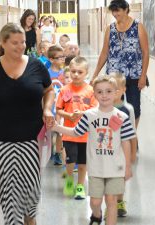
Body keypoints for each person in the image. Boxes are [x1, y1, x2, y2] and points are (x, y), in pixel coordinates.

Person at [0, 23, 55, 225]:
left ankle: (29, 218)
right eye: (15, 43)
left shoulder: (36, 66)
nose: (20, 46)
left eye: (23, 42)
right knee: (8, 189)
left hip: (30, 136)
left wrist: (47, 108)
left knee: (31, 190)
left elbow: (48, 90)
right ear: (3, 43)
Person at [52, 75, 136, 225]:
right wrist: (57, 127)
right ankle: (96, 215)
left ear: (116, 93)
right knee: (96, 202)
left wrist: (128, 166)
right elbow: (76, 132)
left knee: (111, 200)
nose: (104, 95)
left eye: (109, 91)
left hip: (116, 167)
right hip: (96, 167)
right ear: (94, 94)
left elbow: (126, 142)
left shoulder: (121, 117)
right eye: (100, 92)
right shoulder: (89, 116)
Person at [92, 0, 149, 130]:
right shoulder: (110, 29)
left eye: (117, 10)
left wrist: (143, 76)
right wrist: (95, 74)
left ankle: (132, 135)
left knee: (135, 108)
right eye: (113, 11)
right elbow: (104, 53)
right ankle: (118, 135)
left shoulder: (138, 27)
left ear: (126, 9)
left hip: (134, 75)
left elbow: (145, 53)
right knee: (116, 107)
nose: (115, 13)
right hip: (114, 77)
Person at [56, 56, 97, 199]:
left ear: (86, 73)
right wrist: (68, 116)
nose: (76, 75)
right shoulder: (64, 90)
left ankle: (80, 186)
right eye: (73, 71)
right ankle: (69, 180)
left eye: (80, 72)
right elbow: (59, 109)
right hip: (69, 133)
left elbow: (95, 110)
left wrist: (82, 114)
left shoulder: (91, 91)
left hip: (85, 135)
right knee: (70, 160)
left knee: (82, 162)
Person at [110, 72, 137, 217]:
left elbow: (132, 134)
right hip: (107, 150)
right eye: (110, 89)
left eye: (116, 90)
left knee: (120, 178)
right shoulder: (102, 108)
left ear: (124, 90)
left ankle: (119, 201)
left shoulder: (128, 109)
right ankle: (110, 205)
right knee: (108, 178)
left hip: (121, 150)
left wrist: (132, 153)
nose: (113, 93)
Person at [47, 45, 65, 166]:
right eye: (59, 57)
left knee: (60, 132)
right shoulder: (46, 73)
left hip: (61, 108)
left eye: (63, 56)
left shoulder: (65, 73)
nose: (63, 59)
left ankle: (58, 153)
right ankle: (50, 151)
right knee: (50, 132)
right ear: (51, 59)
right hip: (50, 107)